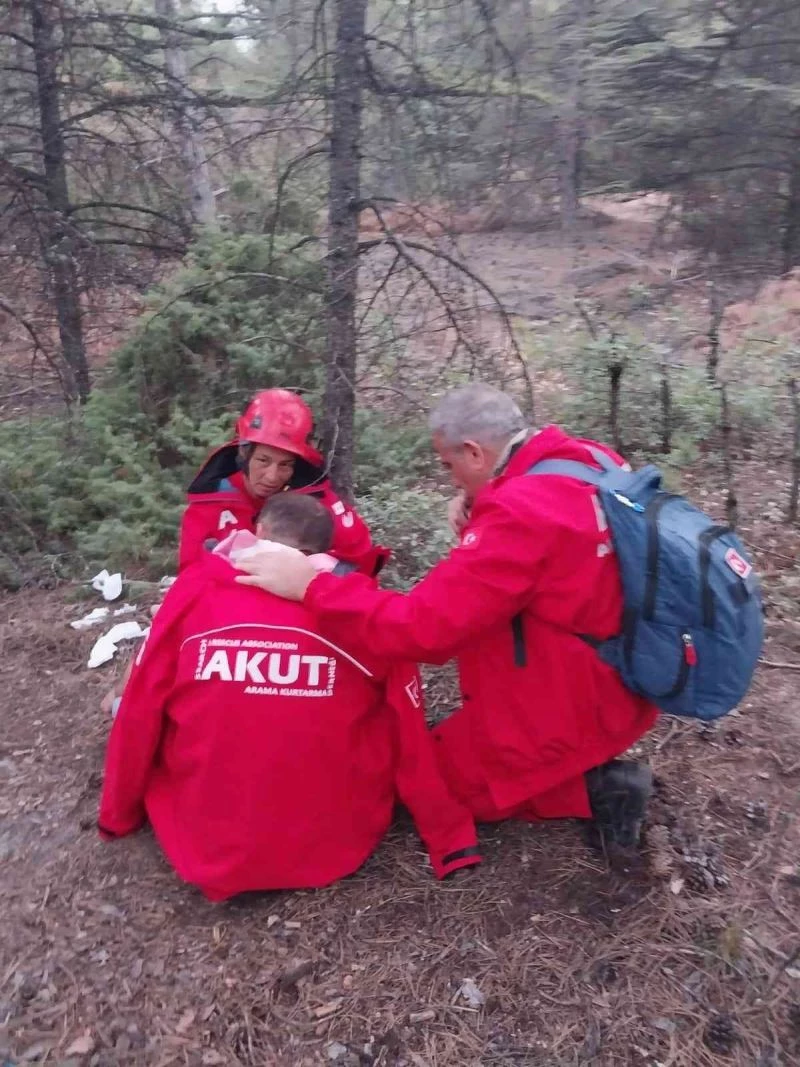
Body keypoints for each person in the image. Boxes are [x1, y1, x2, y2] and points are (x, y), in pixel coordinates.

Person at [234, 383, 660, 848]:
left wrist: (311, 586)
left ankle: (602, 790)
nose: (451, 479)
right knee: (436, 755)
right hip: (617, 669)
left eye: (448, 465)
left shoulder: (520, 515)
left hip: (576, 700)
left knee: (424, 785)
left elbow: (421, 629)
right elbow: (554, 552)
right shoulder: (584, 457)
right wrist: (485, 504)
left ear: (474, 452)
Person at [98, 494, 480, 901]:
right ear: (326, 550)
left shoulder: (195, 590)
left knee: (159, 701)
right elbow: (409, 732)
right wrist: (450, 840)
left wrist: (117, 815)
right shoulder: (360, 606)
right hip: (333, 843)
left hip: (200, 843)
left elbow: (140, 710)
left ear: (259, 532)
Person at [178, 388, 389, 576]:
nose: (272, 477)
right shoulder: (209, 507)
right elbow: (190, 579)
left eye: (285, 465)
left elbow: (361, 562)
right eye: (263, 461)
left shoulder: (317, 503)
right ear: (243, 452)